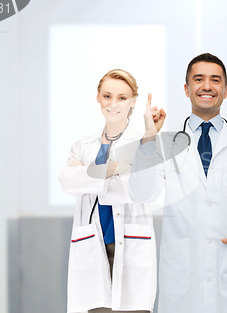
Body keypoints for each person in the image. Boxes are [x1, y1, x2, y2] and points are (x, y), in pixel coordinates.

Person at [128, 53, 227, 313]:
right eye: (198, 79)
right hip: (182, 275)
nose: (207, 86)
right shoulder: (163, 143)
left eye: (215, 80)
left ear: (225, 90)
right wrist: (148, 138)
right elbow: (140, 193)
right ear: (186, 88)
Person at [59, 69, 161, 313]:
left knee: (131, 307)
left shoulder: (146, 142)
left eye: (122, 97)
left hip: (130, 243)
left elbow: (143, 190)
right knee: (95, 306)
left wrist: (92, 177)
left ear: (134, 101)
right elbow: (67, 181)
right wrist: (117, 168)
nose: (113, 103)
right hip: (92, 242)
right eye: (107, 96)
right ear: (98, 97)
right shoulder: (82, 145)